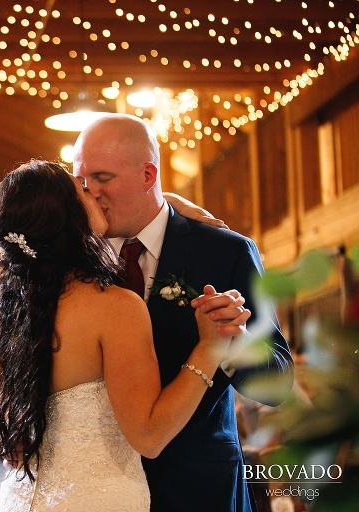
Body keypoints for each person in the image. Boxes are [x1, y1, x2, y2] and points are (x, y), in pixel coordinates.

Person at [0, 160, 251, 511]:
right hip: (98, 498)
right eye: (81, 188)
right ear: (69, 214)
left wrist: (171, 205)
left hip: (23, 497)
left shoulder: (17, 310)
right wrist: (209, 348)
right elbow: (149, 437)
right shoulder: (113, 306)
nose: (93, 192)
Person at [72, 113, 294, 512]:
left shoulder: (224, 251)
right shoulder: (72, 263)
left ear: (147, 175)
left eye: (103, 178)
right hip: (100, 489)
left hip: (201, 488)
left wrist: (235, 342)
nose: (91, 192)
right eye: (82, 180)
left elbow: (278, 382)